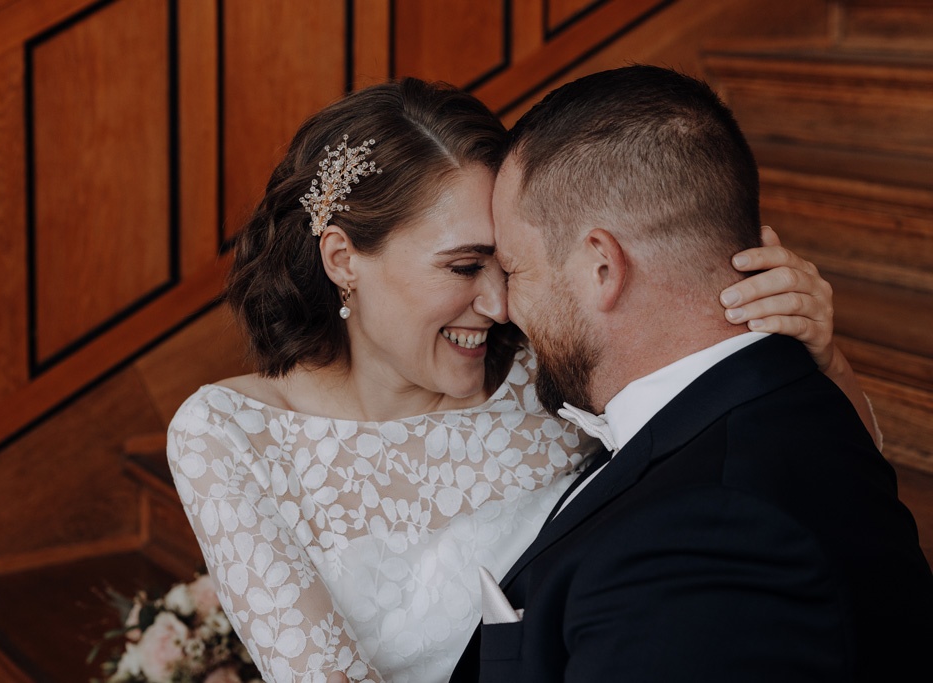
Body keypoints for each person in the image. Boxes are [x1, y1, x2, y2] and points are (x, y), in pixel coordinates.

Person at [167, 78, 874, 683]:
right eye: (464, 266)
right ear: (343, 257)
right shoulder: (229, 436)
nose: (501, 305)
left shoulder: (551, 362)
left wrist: (815, 355)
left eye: (507, 266)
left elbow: (798, 478)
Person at [448, 65, 933, 682]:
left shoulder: (706, 540)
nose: (501, 307)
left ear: (603, 267)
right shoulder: (781, 388)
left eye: (515, 271)